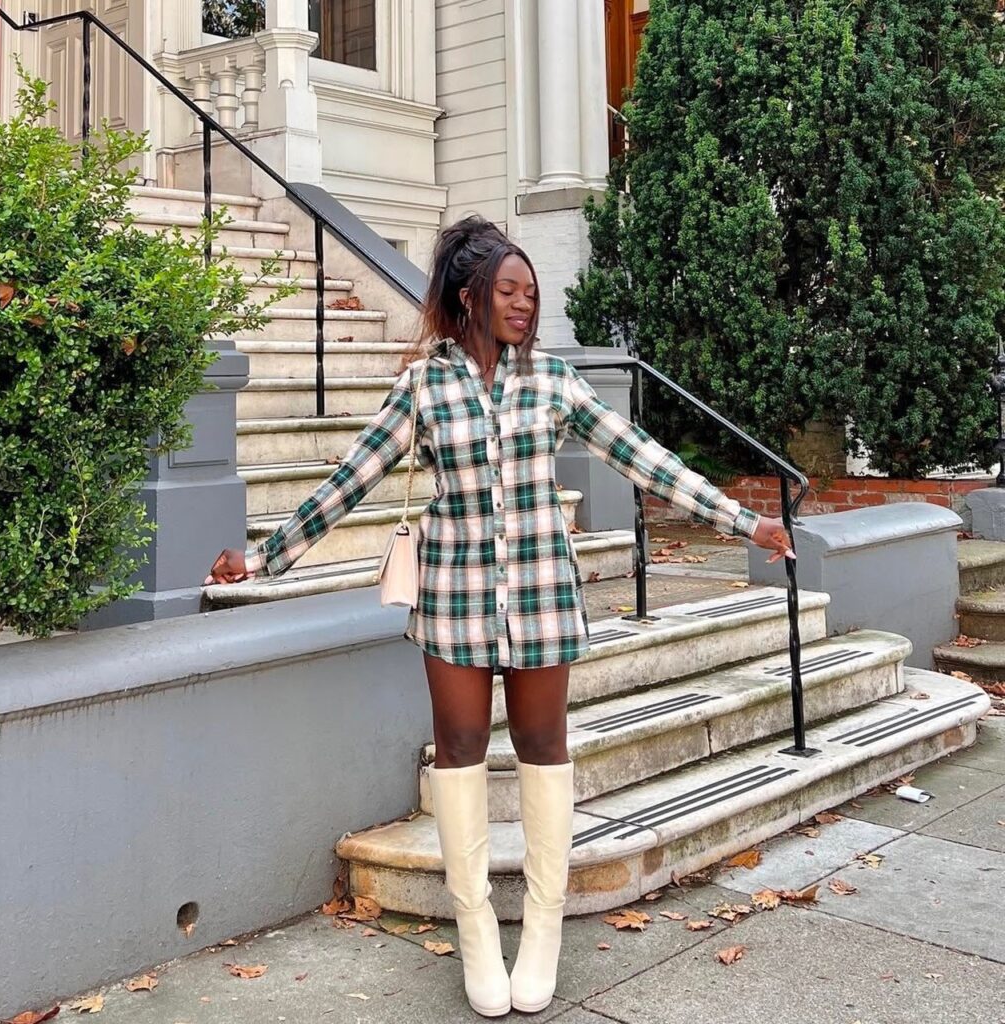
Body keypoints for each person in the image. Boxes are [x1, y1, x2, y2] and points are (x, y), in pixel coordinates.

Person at [206, 215, 794, 1017]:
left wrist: (742, 519)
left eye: (531, 292)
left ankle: (544, 925)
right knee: (460, 746)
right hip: (453, 595)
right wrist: (265, 556)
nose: (525, 303)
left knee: (545, 745)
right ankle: (475, 922)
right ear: (469, 295)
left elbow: (640, 454)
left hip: (544, 590)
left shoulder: (553, 379)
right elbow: (353, 476)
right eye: (509, 290)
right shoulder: (425, 385)